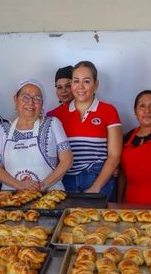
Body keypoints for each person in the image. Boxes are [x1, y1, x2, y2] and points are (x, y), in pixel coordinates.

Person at [49, 61, 122, 197]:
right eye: (76, 81)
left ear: (96, 84)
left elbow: (114, 156)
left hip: (98, 177)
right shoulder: (56, 115)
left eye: (86, 81)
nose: (80, 87)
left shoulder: (109, 111)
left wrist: (96, 188)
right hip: (66, 180)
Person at [0, 79, 72, 191]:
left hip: (49, 196)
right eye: (25, 97)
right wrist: (19, 185)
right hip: (12, 197)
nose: (31, 103)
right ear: (15, 100)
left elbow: (67, 160)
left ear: (42, 103)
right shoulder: (2, 129)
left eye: (37, 98)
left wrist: (42, 185)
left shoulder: (53, 123)